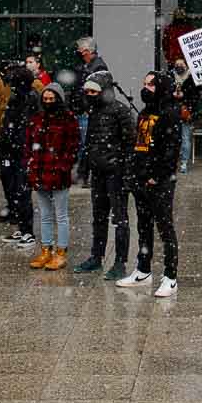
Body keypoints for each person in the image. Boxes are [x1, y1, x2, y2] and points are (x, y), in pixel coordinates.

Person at [120, 69, 183, 296]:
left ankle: (171, 277)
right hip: (141, 180)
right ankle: (143, 269)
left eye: (151, 85)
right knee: (143, 226)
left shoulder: (170, 113)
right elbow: (138, 146)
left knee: (165, 228)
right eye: (144, 84)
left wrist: (156, 176)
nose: (145, 89)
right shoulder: (144, 113)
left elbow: (170, 151)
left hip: (160, 182)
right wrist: (135, 174)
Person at [75, 70, 137, 278]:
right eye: (88, 92)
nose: (89, 95)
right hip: (99, 172)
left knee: (120, 219)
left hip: (116, 173)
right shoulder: (93, 111)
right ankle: (96, 256)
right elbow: (90, 142)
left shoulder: (120, 111)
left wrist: (127, 173)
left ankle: (120, 262)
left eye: (94, 92)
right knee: (98, 216)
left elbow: (130, 144)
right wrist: (84, 168)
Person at [27, 81, 80, 271]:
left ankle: (61, 251)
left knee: (61, 214)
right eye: (46, 98)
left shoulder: (68, 119)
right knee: (45, 215)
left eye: (52, 98)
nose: (48, 101)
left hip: (58, 174)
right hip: (40, 172)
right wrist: (31, 165)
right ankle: (46, 248)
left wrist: (63, 166)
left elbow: (73, 147)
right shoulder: (37, 119)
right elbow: (29, 144)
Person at [0, 56, 39, 247]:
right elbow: (9, 125)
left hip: (22, 152)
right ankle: (22, 227)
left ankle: (27, 230)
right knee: (12, 187)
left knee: (22, 192)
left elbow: (29, 129)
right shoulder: (17, 99)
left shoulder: (30, 100)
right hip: (11, 151)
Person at [70, 36, 107, 184]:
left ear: (86, 51)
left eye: (80, 49)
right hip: (82, 111)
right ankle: (82, 174)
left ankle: (83, 175)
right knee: (83, 144)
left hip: (88, 112)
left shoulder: (97, 67)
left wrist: (85, 106)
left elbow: (94, 92)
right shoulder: (85, 66)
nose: (78, 51)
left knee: (86, 144)